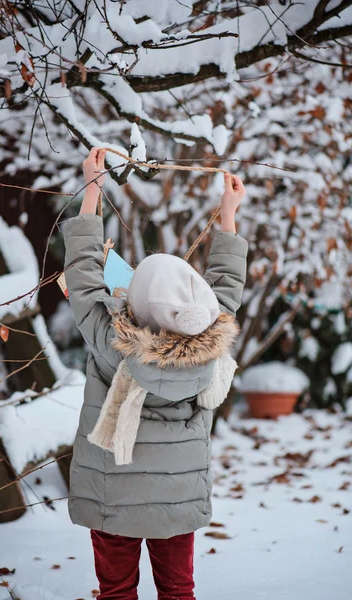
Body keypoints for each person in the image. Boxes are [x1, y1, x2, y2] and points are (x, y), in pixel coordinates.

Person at [62, 147, 249, 600]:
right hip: (176, 502)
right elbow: (226, 286)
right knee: (178, 591)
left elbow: (83, 273)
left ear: (134, 303)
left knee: (118, 592)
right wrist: (229, 217)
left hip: (112, 500)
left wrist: (93, 187)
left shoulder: (111, 342)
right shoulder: (212, 341)